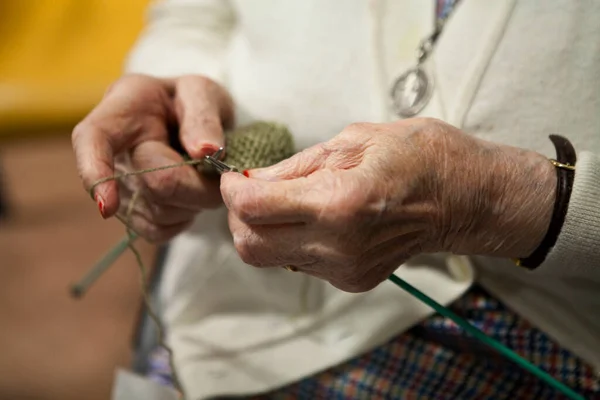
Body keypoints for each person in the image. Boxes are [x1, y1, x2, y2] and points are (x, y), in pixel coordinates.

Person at [71, 0, 600, 398]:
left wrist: (516, 200)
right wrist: (173, 84)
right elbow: (192, 18)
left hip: (548, 325)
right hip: (231, 300)